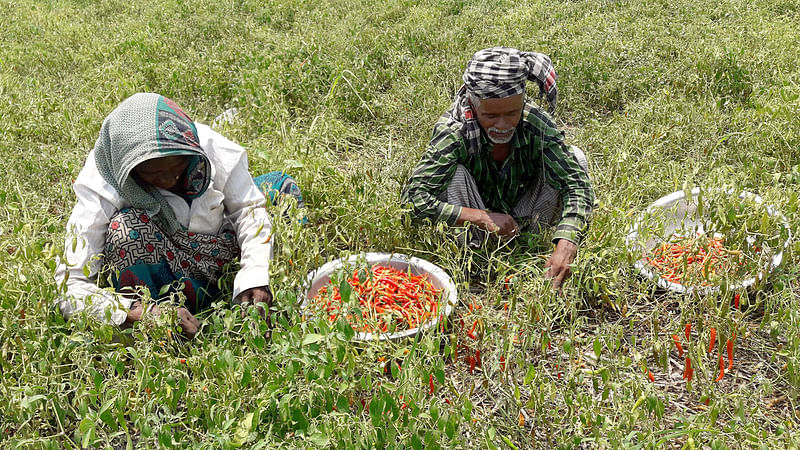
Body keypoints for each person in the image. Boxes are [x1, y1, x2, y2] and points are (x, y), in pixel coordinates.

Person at [55, 93, 290, 337]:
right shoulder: (104, 180)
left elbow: (248, 211)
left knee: (277, 195)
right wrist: (140, 312)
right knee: (125, 230)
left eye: (177, 168)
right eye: (154, 175)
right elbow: (68, 286)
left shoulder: (208, 147)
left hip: (220, 255)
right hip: (157, 267)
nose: (169, 180)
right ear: (131, 171)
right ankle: (170, 332)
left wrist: (254, 277)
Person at [402, 47, 595, 289]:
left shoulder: (534, 122)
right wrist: (480, 217)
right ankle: (475, 258)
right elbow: (413, 199)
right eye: (491, 116)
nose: (503, 125)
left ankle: (532, 242)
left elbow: (576, 184)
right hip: (477, 219)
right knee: (454, 175)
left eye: (512, 113)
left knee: (576, 158)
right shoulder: (454, 132)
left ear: (522, 102)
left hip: (527, 212)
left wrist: (567, 243)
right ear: (473, 103)